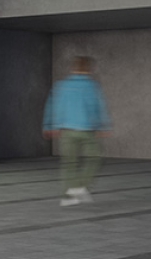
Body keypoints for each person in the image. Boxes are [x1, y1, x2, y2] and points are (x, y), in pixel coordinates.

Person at [43, 56, 111, 206]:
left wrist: (49, 126)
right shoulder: (92, 86)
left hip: (67, 130)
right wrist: (103, 126)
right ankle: (80, 187)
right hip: (87, 130)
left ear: (73, 68)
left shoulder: (61, 85)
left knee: (69, 163)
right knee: (94, 159)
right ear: (89, 69)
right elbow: (99, 106)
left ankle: (67, 197)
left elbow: (52, 105)